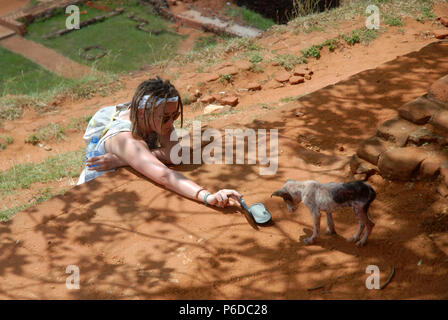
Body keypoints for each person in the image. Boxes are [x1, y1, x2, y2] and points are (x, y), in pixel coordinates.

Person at [77, 76, 241, 208]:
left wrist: (123, 160)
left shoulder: (154, 113)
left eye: (174, 116)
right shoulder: (127, 140)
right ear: (141, 112)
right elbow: (164, 175)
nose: (170, 124)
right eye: (165, 118)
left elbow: (173, 154)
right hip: (96, 196)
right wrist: (208, 197)